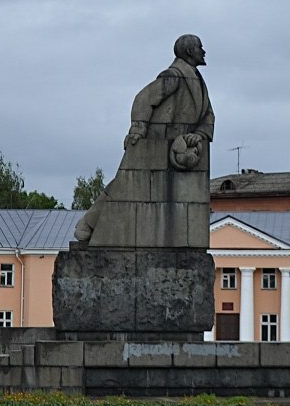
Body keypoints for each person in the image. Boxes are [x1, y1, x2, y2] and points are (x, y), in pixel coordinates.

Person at [73, 34, 214, 250]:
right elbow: (144, 99)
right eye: (199, 47)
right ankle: (89, 224)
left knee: (122, 185)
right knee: (123, 185)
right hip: (154, 142)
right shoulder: (174, 76)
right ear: (188, 52)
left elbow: (208, 116)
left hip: (181, 144)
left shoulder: (197, 81)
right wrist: (138, 129)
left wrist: (201, 134)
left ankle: (89, 223)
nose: (203, 51)